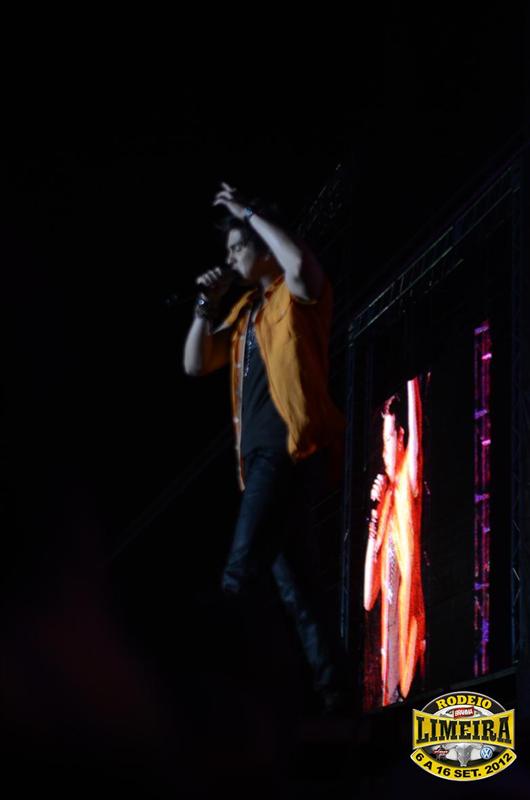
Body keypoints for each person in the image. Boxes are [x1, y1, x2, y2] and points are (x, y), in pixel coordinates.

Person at [183, 182, 347, 713]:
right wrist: (204, 306)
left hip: (289, 450)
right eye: (229, 250)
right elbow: (194, 363)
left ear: (261, 242)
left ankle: (210, 692)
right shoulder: (245, 313)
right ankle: (336, 694)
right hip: (255, 463)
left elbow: (295, 261)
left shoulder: (296, 292)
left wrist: (247, 210)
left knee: (239, 572)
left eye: (238, 247)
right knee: (299, 592)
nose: (231, 258)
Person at [363, 377, 426, 706]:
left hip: (408, 633)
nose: (385, 448)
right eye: (383, 440)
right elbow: (367, 598)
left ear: (400, 438)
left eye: (390, 438)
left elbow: (417, 431)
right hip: (387, 644)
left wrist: (411, 380)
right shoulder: (386, 501)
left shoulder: (407, 482)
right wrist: (374, 519)